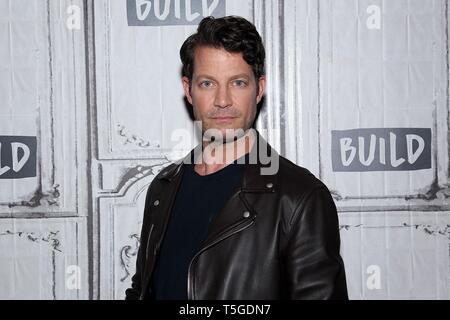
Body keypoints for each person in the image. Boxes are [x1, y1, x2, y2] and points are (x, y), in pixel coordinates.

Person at [125, 15, 348, 300]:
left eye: (238, 82)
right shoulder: (164, 187)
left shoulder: (300, 197)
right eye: (207, 83)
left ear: (259, 89)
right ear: (188, 90)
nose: (222, 100)